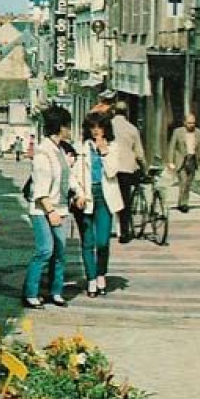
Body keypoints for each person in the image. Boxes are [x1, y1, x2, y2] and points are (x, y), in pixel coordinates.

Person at [23, 105, 76, 309]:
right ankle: (30, 293)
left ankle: (56, 291)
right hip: (42, 209)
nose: (70, 130)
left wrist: (78, 193)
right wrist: (50, 210)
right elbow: (41, 187)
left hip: (60, 208)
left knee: (60, 252)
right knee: (45, 250)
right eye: (68, 126)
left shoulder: (59, 150)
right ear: (60, 127)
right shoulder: (43, 152)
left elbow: (67, 177)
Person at [74, 110, 124, 297]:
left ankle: (101, 273)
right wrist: (79, 194)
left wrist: (104, 152)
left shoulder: (113, 146)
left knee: (103, 242)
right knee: (88, 242)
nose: (96, 131)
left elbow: (112, 172)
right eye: (92, 127)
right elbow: (75, 173)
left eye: (99, 127)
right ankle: (92, 280)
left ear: (105, 128)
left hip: (105, 197)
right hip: (85, 197)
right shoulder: (81, 147)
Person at [111, 99, 145, 243]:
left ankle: (109, 229)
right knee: (125, 201)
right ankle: (124, 233)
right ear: (127, 113)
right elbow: (139, 153)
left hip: (110, 168)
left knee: (110, 199)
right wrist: (144, 167)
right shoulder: (132, 129)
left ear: (114, 111)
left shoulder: (108, 126)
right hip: (126, 169)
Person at [168, 113, 200, 213]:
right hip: (181, 160)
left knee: (188, 183)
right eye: (189, 123)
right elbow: (172, 147)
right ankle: (183, 204)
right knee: (183, 181)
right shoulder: (178, 132)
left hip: (192, 159)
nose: (192, 125)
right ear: (185, 122)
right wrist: (171, 161)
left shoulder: (198, 132)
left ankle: (182, 201)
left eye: (193, 123)